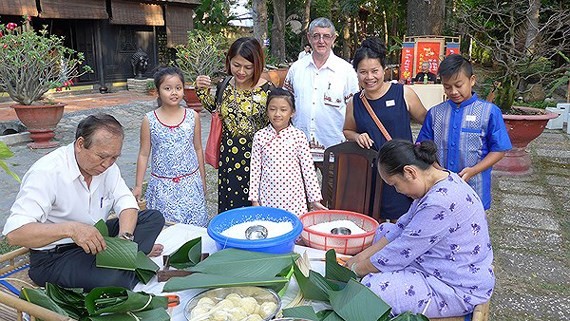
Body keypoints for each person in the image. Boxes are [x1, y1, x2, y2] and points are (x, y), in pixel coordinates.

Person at [2, 114, 165, 291]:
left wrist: (124, 240)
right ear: (80, 144)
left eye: (114, 158)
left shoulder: (108, 167)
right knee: (111, 281)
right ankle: (127, 266)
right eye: (102, 156)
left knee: (153, 218)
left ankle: (125, 261)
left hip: (98, 241)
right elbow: (14, 233)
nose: (107, 164)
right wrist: (71, 230)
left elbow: (126, 202)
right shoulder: (47, 172)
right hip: (55, 256)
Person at [345, 139, 495, 318]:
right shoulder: (443, 178)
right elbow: (401, 228)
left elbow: (400, 252)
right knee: (385, 229)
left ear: (410, 172)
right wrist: (359, 258)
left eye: (394, 184)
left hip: (455, 286)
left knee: (370, 290)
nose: (398, 191)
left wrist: (357, 270)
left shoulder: (439, 203)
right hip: (445, 263)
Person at [343, 37, 427, 221]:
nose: (369, 77)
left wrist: (422, 152)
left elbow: (426, 121)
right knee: (373, 221)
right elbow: (347, 130)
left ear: (384, 69)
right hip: (371, 175)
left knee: (403, 221)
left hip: (401, 171)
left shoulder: (403, 93)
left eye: (375, 71)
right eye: (363, 72)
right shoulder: (354, 102)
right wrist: (357, 136)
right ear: (356, 73)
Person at [416, 54, 511, 210]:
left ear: (472, 80)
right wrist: (437, 169)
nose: (453, 91)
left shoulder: (489, 112)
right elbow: (422, 146)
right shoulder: (435, 113)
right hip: (440, 185)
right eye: (447, 86)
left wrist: (474, 171)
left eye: (459, 85)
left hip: (476, 186)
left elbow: (499, 150)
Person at [195, 37, 274, 213]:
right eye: (236, 65)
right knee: (230, 206)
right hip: (229, 157)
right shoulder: (225, 85)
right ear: (229, 61)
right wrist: (201, 89)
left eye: (248, 67)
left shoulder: (268, 90)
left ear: (258, 65)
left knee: (255, 207)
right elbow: (216, 109)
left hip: (258, 160)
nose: (241, 72)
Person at [133, 66, 208, 226]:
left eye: (178, 88)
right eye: (168, 88)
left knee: (194, 232)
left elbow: (198, 149)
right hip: (162, 188)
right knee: (165, 234)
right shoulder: (149, 120)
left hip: (190, 185)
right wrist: (138, 185)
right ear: (158, 91)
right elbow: (144, 154)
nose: (174, 92)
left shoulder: (192, 116)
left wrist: (202, 179)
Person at [249, 88, 327, 216]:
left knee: (294, 230)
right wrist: (254, 199)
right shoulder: (260, 136)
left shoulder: (298, 136)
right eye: (272, 109)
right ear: (267, 111)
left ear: (292, 112)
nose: (277, 114)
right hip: (268, 197)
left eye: (283, 110)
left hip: (294, 199)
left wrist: (315, 200)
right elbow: (255, 169)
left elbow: (308, 170)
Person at [284, 17, 359, 149]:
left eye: (326, 36)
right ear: (309, 37)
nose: (321, 41)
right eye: (316, 36)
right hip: (299, 148)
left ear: (334, 38)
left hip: (335, 148)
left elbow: (354, 111)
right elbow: (285, 103)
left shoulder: (346, 71)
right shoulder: (296, 69)